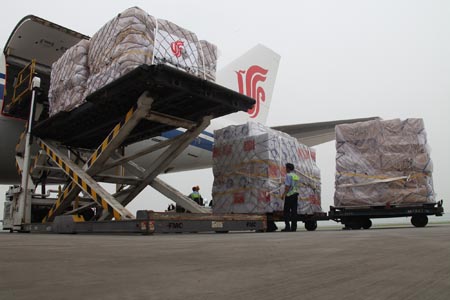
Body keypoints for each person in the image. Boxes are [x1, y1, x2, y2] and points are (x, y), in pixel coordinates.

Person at [282, 163, 299, 232]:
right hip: (295, 194)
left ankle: (287, 227)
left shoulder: (288, 175)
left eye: (286, 168)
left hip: (289, 195)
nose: (285, 169)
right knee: (294, 212)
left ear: (288, 168)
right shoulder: (295, 176)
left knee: (286, 212)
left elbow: (287, 187)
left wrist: (283, 194)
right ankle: (294, 227)